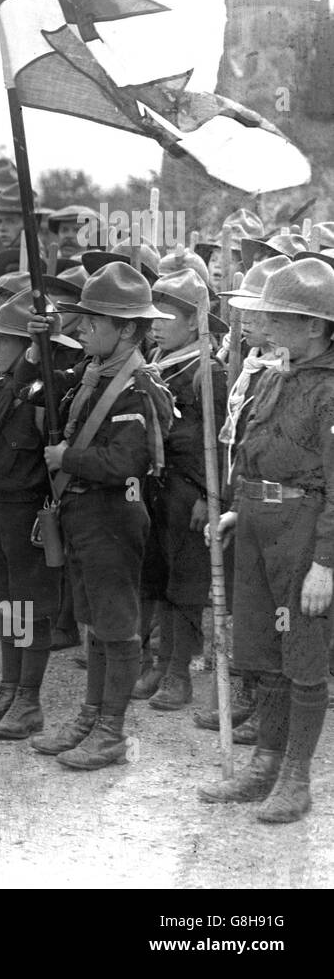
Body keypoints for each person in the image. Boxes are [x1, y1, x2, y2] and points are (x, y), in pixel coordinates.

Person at [197, 259, 334, 822]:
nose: (268, 325)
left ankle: (296, 778)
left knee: (303, 655)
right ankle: (265, 764)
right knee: (264, 652)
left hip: (303, 536)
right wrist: (236, 511)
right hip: (256, 526)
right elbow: (252, 452)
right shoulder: (277, 374)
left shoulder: (329, 392)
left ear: (317, 328)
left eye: (282, 317)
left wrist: (325, 563)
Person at [28, 263, 174, 769]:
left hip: (114, 517)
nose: (83, 329)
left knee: (118, 625)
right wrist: (41, 346)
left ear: (128, 330)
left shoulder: (136, 388)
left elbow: (124, 462)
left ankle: (111, 731)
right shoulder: (95, 373)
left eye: (94, 322)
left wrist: (65, 459)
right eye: (83, 320)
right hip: (86, 514)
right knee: (95, 625)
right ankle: (90, 717)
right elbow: (50, 391)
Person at [0, 290, 77, 737]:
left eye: (2, 341)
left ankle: (28, 700)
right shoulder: (2, 387)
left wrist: (37, 352)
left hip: (31, 513)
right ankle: (8, 692)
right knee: (6, 604)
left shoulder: (50, 383)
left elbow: (38, 392)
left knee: (32, 608)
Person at [131, 270, 227, 710]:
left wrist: (212, 497)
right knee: (157, 578)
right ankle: (157, 661)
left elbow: (225, 443)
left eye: (168, 314)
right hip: (157, 487)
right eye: (153, 313)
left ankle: (178, 674)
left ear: (194, 323)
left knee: (186, 585)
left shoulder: (208, 371)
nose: (157, 322)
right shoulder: (154, 361)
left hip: (191, 492)